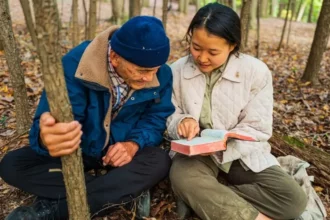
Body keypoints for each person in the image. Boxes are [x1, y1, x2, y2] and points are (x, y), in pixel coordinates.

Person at [0, 16, 175, 220]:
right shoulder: (76, 66)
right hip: (78, 153)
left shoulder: (161, 74)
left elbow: (156, 117)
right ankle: (120, 192)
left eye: (154, 70)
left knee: (159, 161)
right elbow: (51, 125)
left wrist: (133, 144)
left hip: (121, 157)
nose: (149, 78)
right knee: (13, 165)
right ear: (115, 57)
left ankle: (49, 213)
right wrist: (47, 139)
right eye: (142, 71)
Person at [166, 3, 307, 220]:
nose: (202, 58)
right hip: (195, 156)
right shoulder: (176, 71)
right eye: (195, 47)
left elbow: (258, 128)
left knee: (293, 201)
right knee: (183, 178)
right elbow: (169, 115)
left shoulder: (256, 72)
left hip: (241, 154)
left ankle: (201, 199)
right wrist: (181, 122)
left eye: (213, 52)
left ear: (232, 45)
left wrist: (223, 143)